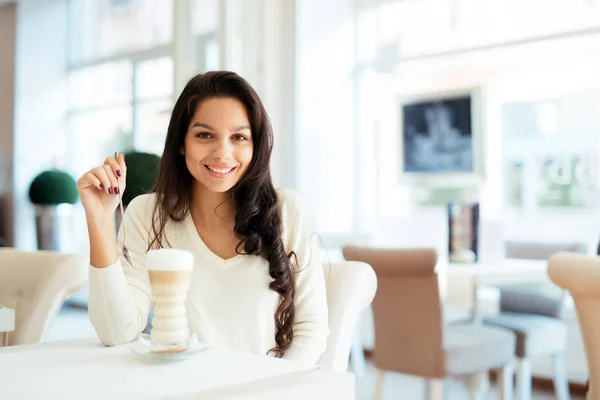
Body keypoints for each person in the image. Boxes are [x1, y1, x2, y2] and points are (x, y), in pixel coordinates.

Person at [76, 71, 329, 365]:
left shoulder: (288, 211)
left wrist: (270, 389)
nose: (222, 153)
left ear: (255, 145)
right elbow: (116, 332)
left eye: (239, 137)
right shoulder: (147, 213)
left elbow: (310, 331)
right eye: (205, 135)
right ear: (182, 142)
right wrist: (100, 219)